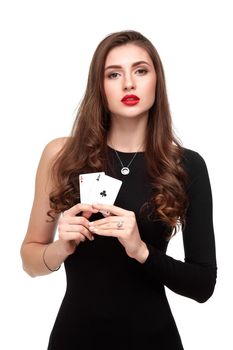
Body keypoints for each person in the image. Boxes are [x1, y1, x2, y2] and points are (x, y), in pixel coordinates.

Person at [20, 30, 217, 349]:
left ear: (157, 81)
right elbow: (30, 260)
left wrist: (141, 250)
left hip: (154, 340)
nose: (129, 83)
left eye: (140, 70)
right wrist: (62, 247)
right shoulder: (61, 155)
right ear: (99, 86)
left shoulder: (185, 165)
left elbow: (203, 285)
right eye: (114, 74)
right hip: (75, 339)